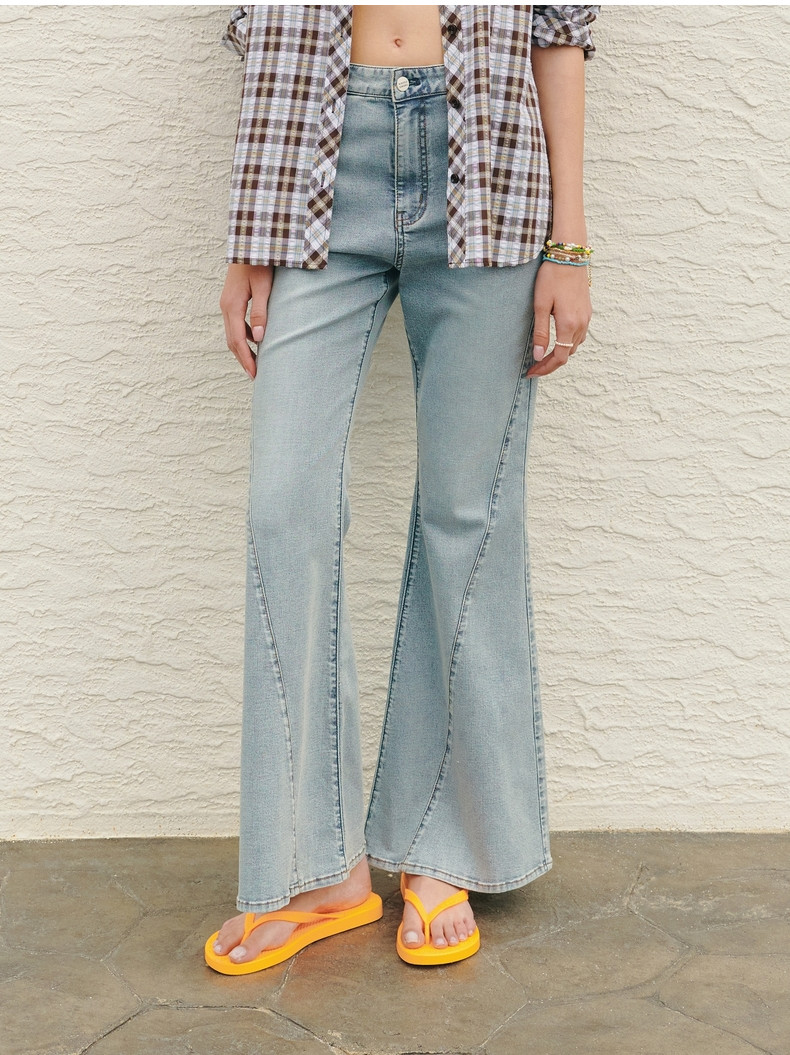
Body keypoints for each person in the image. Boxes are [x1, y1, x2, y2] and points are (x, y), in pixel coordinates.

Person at [205, 3, 599, 973]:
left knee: (468, 514)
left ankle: (440, 842)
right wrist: (250, 238)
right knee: (285, 509)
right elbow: (270, 28)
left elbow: (558, 28)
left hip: (490, 166)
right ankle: (319, 868)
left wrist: (571, 243)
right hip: (317, 169)